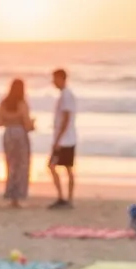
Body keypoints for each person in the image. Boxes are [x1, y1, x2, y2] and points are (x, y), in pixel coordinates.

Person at [0, 78, 34, 207]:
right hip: (20, 133)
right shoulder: (22, 103)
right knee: (22, 165)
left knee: (10, 165)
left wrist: (8, 119)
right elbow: (27, 123)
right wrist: (32, 125)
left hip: (8, 133)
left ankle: (11, 195)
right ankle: (17, 196)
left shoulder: (4, 103)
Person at [48, 68, 77, 209]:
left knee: (56, 166)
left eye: (54, 79)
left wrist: (58, 140)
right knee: (66, 168)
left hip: (65, 140)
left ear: (61, 78)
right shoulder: (65, 95)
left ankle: (65, 198)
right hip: (67, 138)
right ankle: (65, 198)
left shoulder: (66, 95)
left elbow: (66, 118)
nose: (53, 82)